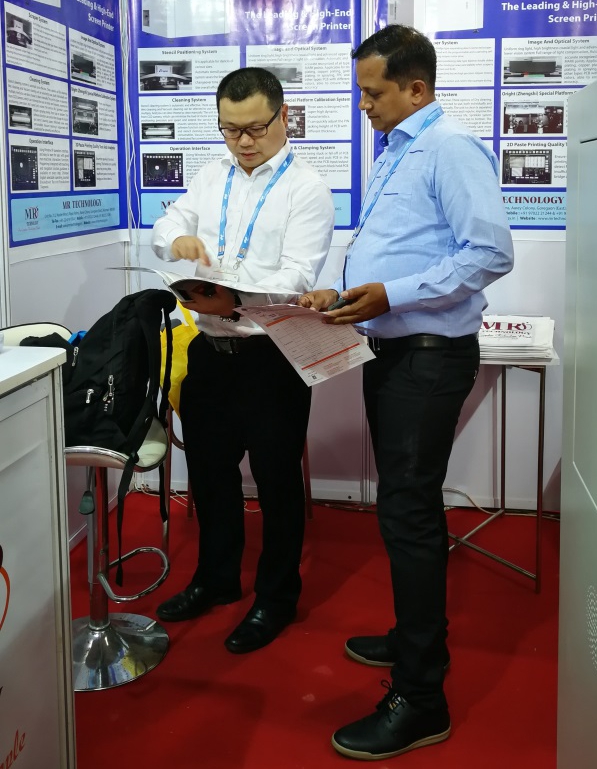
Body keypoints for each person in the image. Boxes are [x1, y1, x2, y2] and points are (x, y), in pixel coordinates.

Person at [299, 25, 514, 761]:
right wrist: (346, 293)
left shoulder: (450, 147)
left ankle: (422, 698)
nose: (362, 105)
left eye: (373, 92)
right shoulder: (398, 148)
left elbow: (489, 251)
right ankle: (410, 638)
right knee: (403, 509)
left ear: (416, 88)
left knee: (409, 515)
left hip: (427, 358)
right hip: (394, 353)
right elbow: (403, 247)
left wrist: (392, 293)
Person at [152, 67, 335, 653]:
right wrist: (176, 240)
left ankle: (276, 598)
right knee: (209, 475)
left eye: (255, 128)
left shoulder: (307, 188)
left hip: (272, 357)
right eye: (230, 130)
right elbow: (169, 222)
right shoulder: (213, 175)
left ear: (284, 116)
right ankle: (216, 579)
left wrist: (228, 293)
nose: (244, 142)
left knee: (277, 483)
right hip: (209, 350)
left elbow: (295, 277)